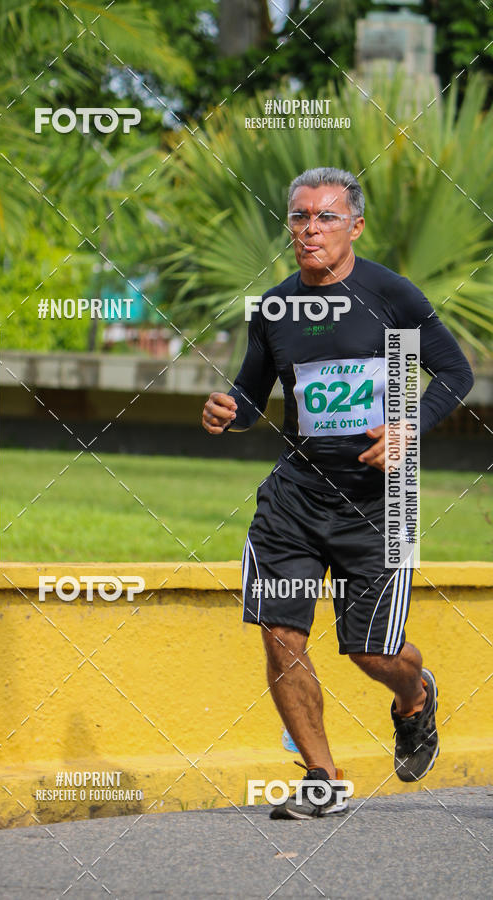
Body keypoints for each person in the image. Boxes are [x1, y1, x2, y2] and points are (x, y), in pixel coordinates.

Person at [201, 167, 474, 819]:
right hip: (294, 501)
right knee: (280, 634)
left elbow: (454, 372)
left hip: (378, 505)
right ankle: (321, 777)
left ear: (355, 226)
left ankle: (415, 697)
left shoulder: (390, 296)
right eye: (299, 216)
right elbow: (252, 393)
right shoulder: (275, 309)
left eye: (325, 217)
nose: (310, 229)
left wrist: (408, 427)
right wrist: (228, 411)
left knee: (373, 653)